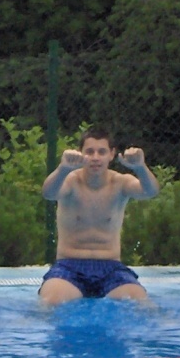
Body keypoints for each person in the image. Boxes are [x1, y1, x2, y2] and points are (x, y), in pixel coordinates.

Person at [39, 127, 160, 304]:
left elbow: (150, 192)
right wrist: (63, 169)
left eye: (101, 152)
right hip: (69, 266)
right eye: (89, 152)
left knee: (141, 304)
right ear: (81, 154)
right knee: (50, 302)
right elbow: (48, 193)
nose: (95, 157)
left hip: (111, 267)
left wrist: (140, 167)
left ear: (111, 154)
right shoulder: (71, 182)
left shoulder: (121, 183)